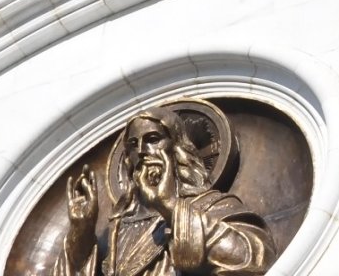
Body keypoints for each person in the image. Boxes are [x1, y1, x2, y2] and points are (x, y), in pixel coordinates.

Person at [56, 107, 274, 276]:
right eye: (133, 144)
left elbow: (254, 260)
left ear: (176, 146)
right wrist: (81, 233)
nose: (141, 151)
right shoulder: (117, 228)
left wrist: (170, 207)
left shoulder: (211, 206)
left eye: (152, 139)